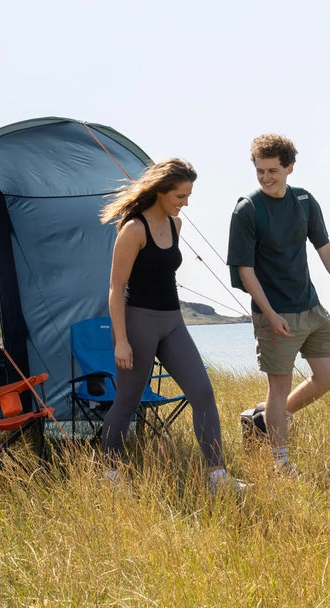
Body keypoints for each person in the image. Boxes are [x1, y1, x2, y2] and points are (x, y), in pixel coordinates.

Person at [99, 158, 244, 493]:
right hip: (139, 323)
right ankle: (110, 477)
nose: (185, 203)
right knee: (127, 403)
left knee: (203, 393)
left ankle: (217, 479)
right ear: (161, 191)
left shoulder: (177, 225)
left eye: (188, 195)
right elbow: (115, 288)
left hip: (173, 322)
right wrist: (121, 340)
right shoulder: (134, 229)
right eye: (180, 195)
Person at [228, 134, 330, 476]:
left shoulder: (304, 201)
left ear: (289, 167)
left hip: (310, 307)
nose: (266, 177)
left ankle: (261, 416)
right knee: (279, 386)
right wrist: (269, 315)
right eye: (260, 171)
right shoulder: (248, 209)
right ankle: (280, 462)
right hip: (275, 313)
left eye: (273, 170)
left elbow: (324, 248)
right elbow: (245, 270)